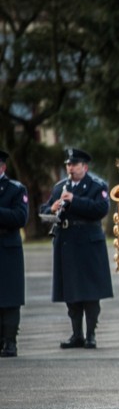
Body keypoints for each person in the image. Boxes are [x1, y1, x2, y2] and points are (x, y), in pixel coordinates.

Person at [40, 148, 113, 349]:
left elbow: (101, 209)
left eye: (74, 165)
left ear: (84, 167)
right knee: (71, 293)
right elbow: (45, 211)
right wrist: (51, 209)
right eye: (68, 165)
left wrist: (75, 200)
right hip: (67, 243)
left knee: (90, 293)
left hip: (89, 243)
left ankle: (90, 335)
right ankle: (76, 334)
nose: (70, 168)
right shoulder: (60, 187)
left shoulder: (97, 185)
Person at [0, 149, 28, 358]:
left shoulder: (15, 189)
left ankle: (10, 341)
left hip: (7, 248)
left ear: (2, 167)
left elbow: (20, 217)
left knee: (9, 298)